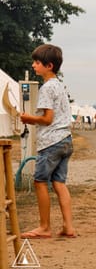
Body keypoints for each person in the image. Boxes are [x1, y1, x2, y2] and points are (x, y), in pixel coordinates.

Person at [19, 44, 76, 239]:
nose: (33, 65)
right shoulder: (60, 85)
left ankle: (44, 227)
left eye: (37, 62)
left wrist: (28, 119)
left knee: (40, 181)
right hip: (66, 139)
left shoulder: (46, 88)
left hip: (51, 142)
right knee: (59, 183)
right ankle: (68, 226)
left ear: (49, 65)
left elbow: (47, 119)